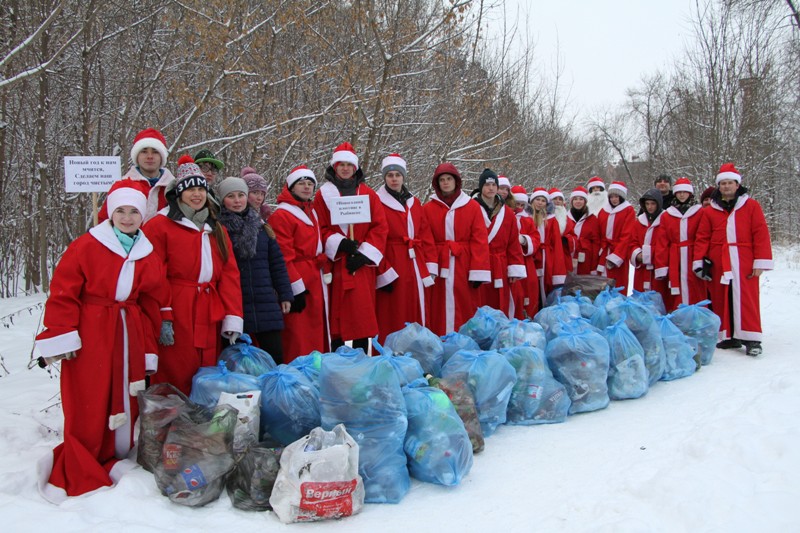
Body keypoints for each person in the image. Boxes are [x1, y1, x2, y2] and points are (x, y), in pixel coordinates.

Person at [35, 181, 168, 503]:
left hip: (129, 329)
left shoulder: (146, 251)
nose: (127, 217)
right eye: (120, 211)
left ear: (142, 215)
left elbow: (152, 299)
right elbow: (64, 292)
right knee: (89, 394)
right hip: (92, 329)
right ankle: (84, 454)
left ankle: (114, 450)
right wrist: (62, 334)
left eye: (133, 211)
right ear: (110, 212)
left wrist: (150, 339)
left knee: (124, 391)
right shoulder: (86, 246)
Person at [145, 155, 243, 394]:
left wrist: (232, 315)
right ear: (179, 193)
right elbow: (153, 275)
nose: (197, 194)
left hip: (209, 307)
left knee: (207, 367)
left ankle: (203, 412)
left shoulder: (215, 227)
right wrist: (163, 314)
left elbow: (229, 273)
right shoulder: (159, 226)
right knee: (178, 366)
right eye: (190, 190)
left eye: (201, 189)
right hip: (178, 306)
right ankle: (174, 412)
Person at [314, 142, 388, 353]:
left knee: (361, 315)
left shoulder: (368, 194)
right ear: (334, 167)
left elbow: (380, 226)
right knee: (336, 314)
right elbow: (318, 226)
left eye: (349, 165)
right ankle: (337, 359)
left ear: (355, 168)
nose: (345, 169)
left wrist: (364, 254)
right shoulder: (322, 195)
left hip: (360, 264)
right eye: (341, 165)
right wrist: (339, 242)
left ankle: (362, 357)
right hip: (337, 263)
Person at [693, 163, 773, 356]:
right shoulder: (710, 210)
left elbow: (760, 233)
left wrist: (760, 261)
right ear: (719, 186)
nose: (726, 186)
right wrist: (700, 261)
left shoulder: (751, 206)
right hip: (719, 260)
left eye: (730, 183)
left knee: (747, 298)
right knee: (722, 297)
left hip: (743, 259)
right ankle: (729, 336)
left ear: (737, 185)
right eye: (723, 183)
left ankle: (752, 339)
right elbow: (702, 237)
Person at [217, 177, 293, 362]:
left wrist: (285, 294)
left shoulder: (262, 227)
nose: (237, 201)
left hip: (265, 302)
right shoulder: (218, 229)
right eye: (231, 196)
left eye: (241, 195)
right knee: (240, 362)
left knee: (274, 358)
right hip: (236, 304)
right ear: (222, 200)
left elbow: (277, 263)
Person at [269, 165, 331, 362]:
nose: (306, 187)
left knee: (315, 328)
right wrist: (295, 289)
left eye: (310, 184)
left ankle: (316, 367)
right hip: (299, 279)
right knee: (298, 331)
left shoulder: (311, 211)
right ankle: (298, 368)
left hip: (315, 277)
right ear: (291, 187)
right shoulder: (282, 215)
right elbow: (283, 256)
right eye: (301, 183)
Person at [423, 162, 490, 335]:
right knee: (438, 305)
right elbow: (425, 239)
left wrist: (478, 271)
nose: (445, 183)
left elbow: (479, 239)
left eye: (449, 179)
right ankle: (440, 339)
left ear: (456, 181)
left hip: (464, 263)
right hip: (439, 264)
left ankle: (465, 342)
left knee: (465, 303)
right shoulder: (428, 208)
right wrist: (430, 266)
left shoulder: (472, 207)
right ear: (437, 184)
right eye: (442, 180)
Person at [374, 154, 435, 341]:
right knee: (393, 310)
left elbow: (425, 234)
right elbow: (375, 238)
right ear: (384, 178)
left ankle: (417, 351)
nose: (394, 179)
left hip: (414, 262)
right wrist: (383, 273)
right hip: (392, 261)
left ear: (403, 177)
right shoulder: (376, 201)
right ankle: (390, 352)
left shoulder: (414, 202)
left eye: (398, 175)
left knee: (415, 307)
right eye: (390, 175)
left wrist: (430, 265)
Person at [470, 169, 525, 317]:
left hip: (501, 265)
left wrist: (514, 267)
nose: (491, 188)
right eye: (487, 185)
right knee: (479, 303)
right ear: (481, 187)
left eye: (494, 185)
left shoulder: (507, 213)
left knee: (500, 302)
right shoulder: (470, 208)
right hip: (479, 264)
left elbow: (513, 243)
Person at [98, 128, 174, 223]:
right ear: (137, 156)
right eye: (144, 151)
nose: (150, 156)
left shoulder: (174, 188)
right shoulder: (122, 187)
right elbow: (104, 222)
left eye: (155, 152)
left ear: (162, 157)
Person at [660, 177, 705, 310]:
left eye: (684, 192)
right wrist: (662, 264)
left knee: (695, 288)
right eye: (679, 192)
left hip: (693, 254)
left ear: (690, 193)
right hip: (675, 257)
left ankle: (697, 317)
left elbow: (703, 236)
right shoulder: (667, 215)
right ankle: (679, 317)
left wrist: (700, 259)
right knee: (677, 289)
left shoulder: (700, 212)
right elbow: (662, 241)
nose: (681, 195)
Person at [596, 181, 636, 294]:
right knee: (601, 285)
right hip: (604, 252)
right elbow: (598, 232)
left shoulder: (628, 211)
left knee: (618, 284)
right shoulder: (603, 211)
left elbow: (627, 235)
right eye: (612, 196)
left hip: (619, 253)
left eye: (617, 196)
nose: (614, 199)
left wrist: (616, 256)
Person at [630, 188, 669, 300]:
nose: (650, 207)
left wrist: (650, 254)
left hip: (658, 267)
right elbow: (633, 241)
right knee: (640, 299)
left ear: (658, 204)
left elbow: (667, 243)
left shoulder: (666, 220)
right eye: (647, 204)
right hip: (642, 269)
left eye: (652, 204)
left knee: (658, 298)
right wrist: (637, 254)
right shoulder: (639, 221)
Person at [529, 187, 567, 303]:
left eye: (543, 200)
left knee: (545, 284)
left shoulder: (551, 220)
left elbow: (556, 243)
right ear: (532, 201)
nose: (540, 203)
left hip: (547, 257)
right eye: (537, 199)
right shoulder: (526, 218)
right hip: (530, 255)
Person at [509, 185, 540, 318]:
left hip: (525, 262)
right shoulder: (506, 216)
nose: (520, 207)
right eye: (517, 204)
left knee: (528, 290)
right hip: (510, 260)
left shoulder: (527, 220)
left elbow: (536, 239)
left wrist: (524, 240)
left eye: (522, 204)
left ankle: (527, 316)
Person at [566, 186, 602, 275]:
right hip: (568, 257)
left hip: (586, 258)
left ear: (585, 201)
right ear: (572, 201)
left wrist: (594, 267)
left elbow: (596, 243)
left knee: (583, 281)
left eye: (581, 199)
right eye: (575, 199)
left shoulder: (592, 219)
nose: (578, 201)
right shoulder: (565, 218)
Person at [549, 187, 574, 275]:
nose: (558, 201)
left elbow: (573, 236)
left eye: (560, 199)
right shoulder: (545, 217)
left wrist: (567, 240)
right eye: (555, 199)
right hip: (550, 252)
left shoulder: (567, 218)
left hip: (564, 254)